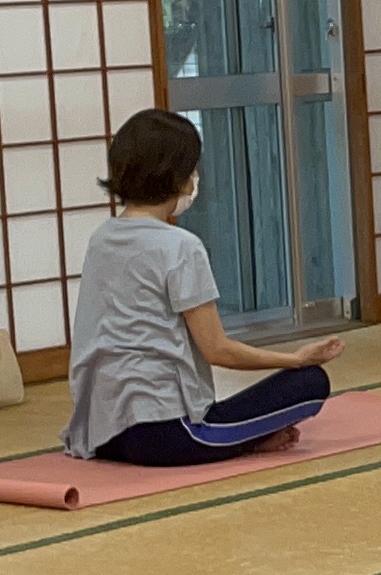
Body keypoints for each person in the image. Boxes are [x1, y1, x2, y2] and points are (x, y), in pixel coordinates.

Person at [59, 108, 343, 465]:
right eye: (192, 169)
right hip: (164, 433)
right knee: (310, 382)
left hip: (102, 433)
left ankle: (243, 438)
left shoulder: (102, 239)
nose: (195, 178)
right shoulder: (180, 245)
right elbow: (218, 350)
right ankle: (242, 441)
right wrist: (297, 359)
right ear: (176, 176)